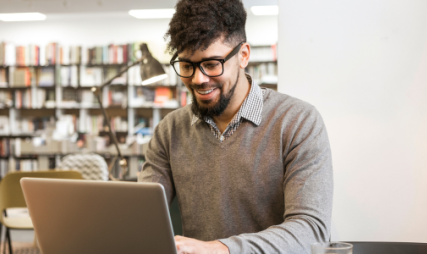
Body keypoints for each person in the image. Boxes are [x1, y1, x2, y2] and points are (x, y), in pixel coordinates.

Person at [139, 0, 333, 253]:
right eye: (187, 66)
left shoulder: (298, 121)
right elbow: (142, 217)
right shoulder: (170, 130)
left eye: (211, 64)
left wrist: (221, 249)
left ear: (243, 55)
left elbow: (311, 231)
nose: (198, 79)